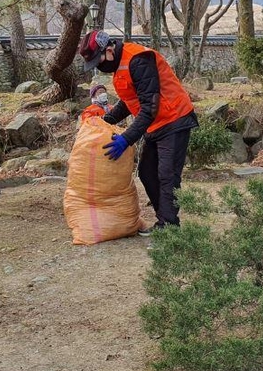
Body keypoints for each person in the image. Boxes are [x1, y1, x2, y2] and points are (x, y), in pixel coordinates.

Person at [78, 30, 198, 235]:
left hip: (174, 118)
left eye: (99, 60)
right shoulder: (120, 66)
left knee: (167, 175)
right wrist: (105, 121)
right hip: (156, 123)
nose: (99, 66)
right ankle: (165, 219)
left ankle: (169, 227)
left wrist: (126, 139)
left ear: (109, 50)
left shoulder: (138, 60)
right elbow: (129, 100)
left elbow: (149, 107)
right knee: (147, 172)